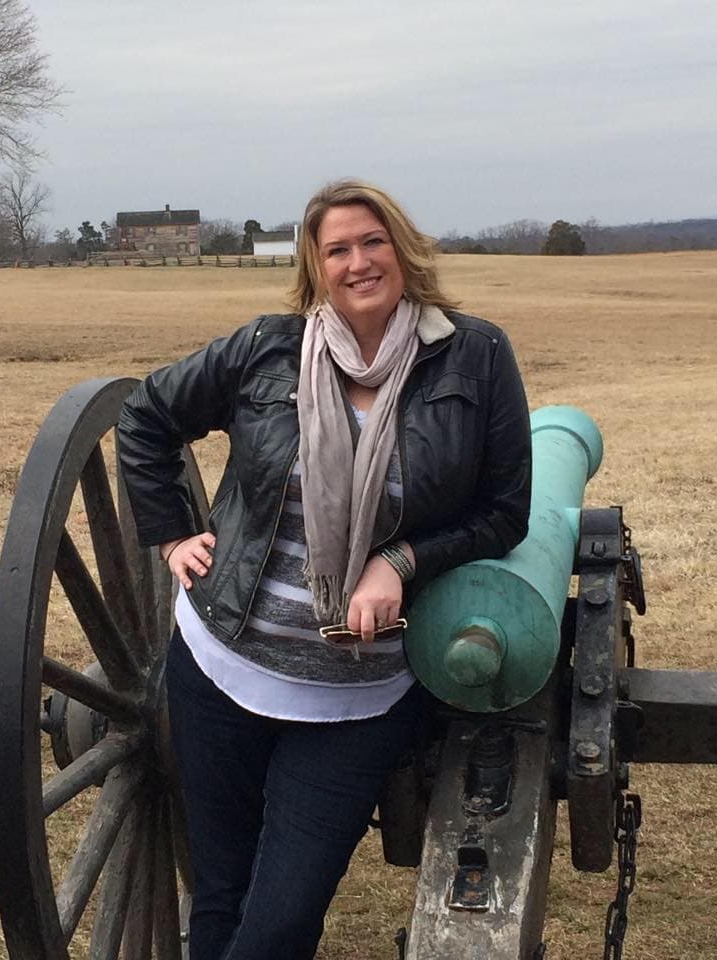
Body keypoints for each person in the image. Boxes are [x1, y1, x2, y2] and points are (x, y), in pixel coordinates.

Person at [117, 179, 531, 960]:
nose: (357, 262)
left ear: (402, 250)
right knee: (220, 897)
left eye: (372, 242)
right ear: (316, 264)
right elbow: (146, 416)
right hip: (220, 672)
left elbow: (506, 511)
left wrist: (402, 561)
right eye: (336, 249)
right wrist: (173, 535)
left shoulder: (474, 357)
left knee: (275, 926)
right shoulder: (268, 348)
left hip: (357, 697)